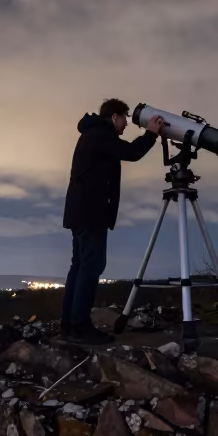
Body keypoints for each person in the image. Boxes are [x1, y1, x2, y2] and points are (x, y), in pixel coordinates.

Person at [61, 98, 164, 344]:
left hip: (81, 212)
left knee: (80, 267)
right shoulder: (100, 135)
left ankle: (70, 325)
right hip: (90, 212)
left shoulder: (93, 134)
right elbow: (131, 152)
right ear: (115, 116)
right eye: (125, 118)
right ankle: (80, 326)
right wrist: (151, 134)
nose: (127, 124)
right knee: (91, 266)